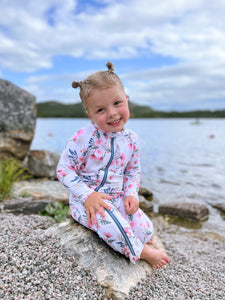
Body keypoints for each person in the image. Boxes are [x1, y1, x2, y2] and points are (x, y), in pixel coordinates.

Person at [56, 62, 169, 269]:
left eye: (117, 103)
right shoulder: (83, 138)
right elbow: (63, 170)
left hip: (116, 197)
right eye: (100, 109)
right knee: (113, 226)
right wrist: (87, 195)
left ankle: (136, 240)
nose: (112, 113)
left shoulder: (132, 139)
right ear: (89, 114)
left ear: (126, 99)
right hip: (87, 202)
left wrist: (131, 194)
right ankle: (141, 252)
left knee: (145, 230)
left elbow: (132, 171)